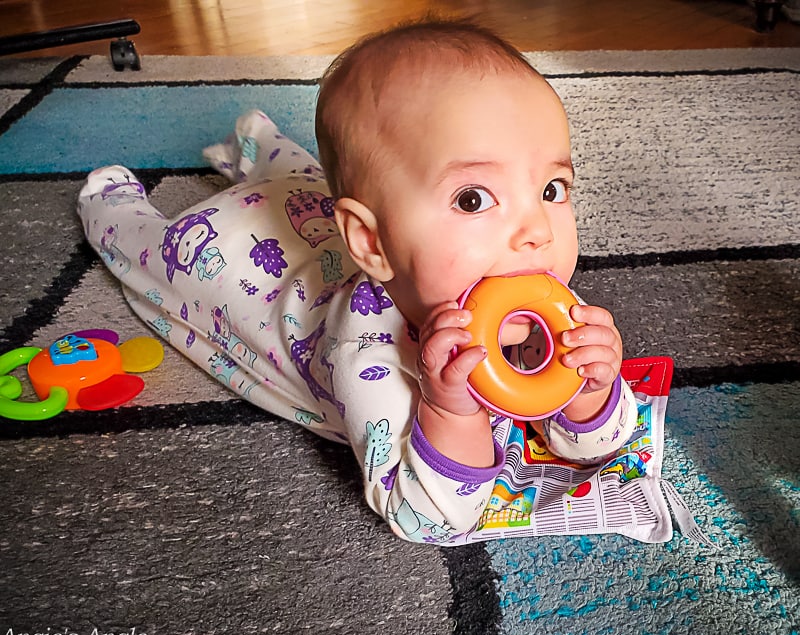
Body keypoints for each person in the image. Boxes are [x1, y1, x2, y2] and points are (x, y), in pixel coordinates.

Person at [77, 18, 637, 544]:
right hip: (241, 262)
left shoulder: (521, 282)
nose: (537, 230)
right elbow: (429, 519)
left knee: (309, 184)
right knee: (160, 258)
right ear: (371, 243)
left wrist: (591, 394)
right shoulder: (368, 356)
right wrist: (449, 413)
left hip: (320, 220)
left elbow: (598, 450)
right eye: (473, 199)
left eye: (552, 189)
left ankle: (256, 142)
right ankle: (113, 204)